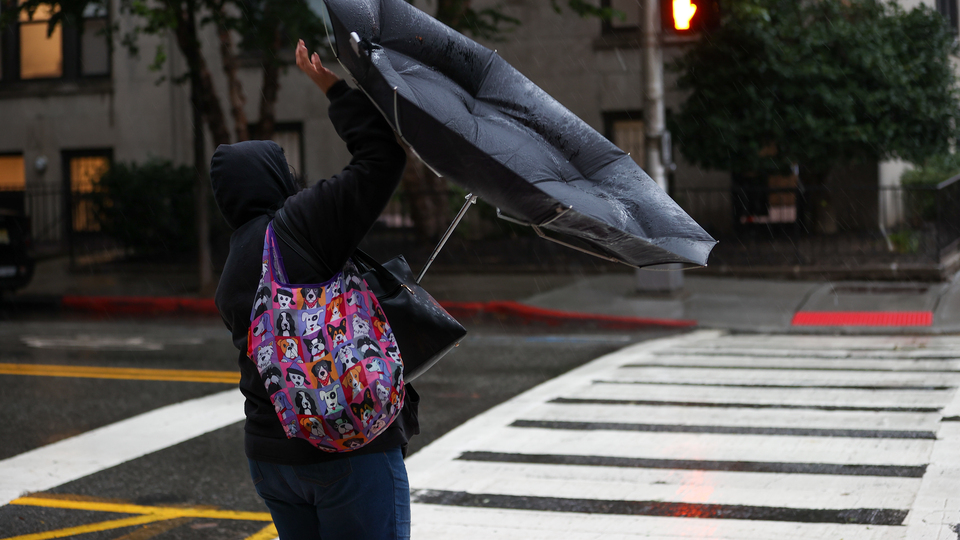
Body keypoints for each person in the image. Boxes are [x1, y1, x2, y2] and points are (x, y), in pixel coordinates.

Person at [211, 39, 416, 540]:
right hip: (347, 449)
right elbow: (381, 158)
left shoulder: (235, 262)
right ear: (276, 177)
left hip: (270, 457)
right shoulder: (299, 224)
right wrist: (331, 86)